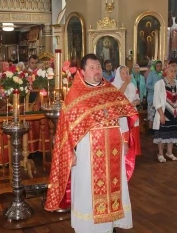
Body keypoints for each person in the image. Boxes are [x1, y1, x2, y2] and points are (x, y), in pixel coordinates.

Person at [45, 54, 138, 233]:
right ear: (83, 71)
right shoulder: (75, 95)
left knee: (113, 190)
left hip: (113, 151)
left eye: (98, 67)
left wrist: (125, 140)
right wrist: (70, 151)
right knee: (87, 191)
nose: (97, 70)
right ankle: (88, 228)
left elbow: (121, 115)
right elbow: (67, 129)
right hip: (87, 153)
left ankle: (110, 225)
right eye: (92, 67)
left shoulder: (110, 90)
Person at [153, 66, 177, 162]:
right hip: (164, 113)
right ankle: (160, 153)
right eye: (171, 71)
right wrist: (161, 114)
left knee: (172, 134)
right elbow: (156, 100)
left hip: (175, 112)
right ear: (166, 72)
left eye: (175, 71)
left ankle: (169, 152)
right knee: (162, 134)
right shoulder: (160, 84)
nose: (173, 73)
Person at [113, 66, 141, 156]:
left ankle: (131, 156)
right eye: (123, 73)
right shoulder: (113, 85)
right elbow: (118, 96)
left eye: (127, 73)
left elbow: (138, 99)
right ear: (118, 74)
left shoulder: (132, 85)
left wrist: (135, 103)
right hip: (121, 116)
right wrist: (126, 83)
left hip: (131, 114)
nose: (126, 75)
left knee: (132, 137)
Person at [146, 60, 163, 132]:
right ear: (155, 67)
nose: (159, 68)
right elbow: (148, 85)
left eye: (160, 66)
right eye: (158, 66)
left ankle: (156, 127)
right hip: (152, 97)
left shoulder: (162, 74)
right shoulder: (151, 74)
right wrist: (156, 88)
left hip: (159, 98)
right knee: (151, 113)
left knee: (158, 112)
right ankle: (150, 128)